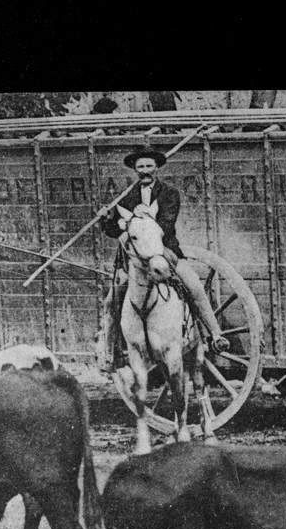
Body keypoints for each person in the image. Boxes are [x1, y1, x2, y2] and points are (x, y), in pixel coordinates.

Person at [98, 145, 229, 373]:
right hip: (136, 261)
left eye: (149, 166)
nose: (145, 170)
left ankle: (215, 334)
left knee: (193, 284)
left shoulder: (169, 193)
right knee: (111, 300)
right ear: (135, 169)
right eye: (140, 167)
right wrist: (105, 220)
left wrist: (144, 218)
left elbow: (167, 224)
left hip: (165, 252)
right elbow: (114, 230)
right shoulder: (126, 196)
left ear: (156, 168)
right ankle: (111, 354)